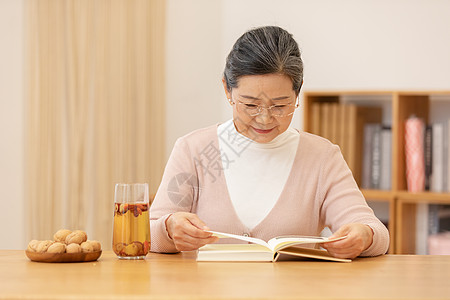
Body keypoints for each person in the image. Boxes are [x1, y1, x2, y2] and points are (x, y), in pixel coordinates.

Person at [150, 26, 389, 259]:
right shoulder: (194, 150)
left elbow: (374, 230)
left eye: (280, 106)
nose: (264, 118)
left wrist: (363, 235)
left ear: (298, 93)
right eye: (251, 105)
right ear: (227, 90)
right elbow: (148, 233)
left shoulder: (322, 156)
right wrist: (169, 228)